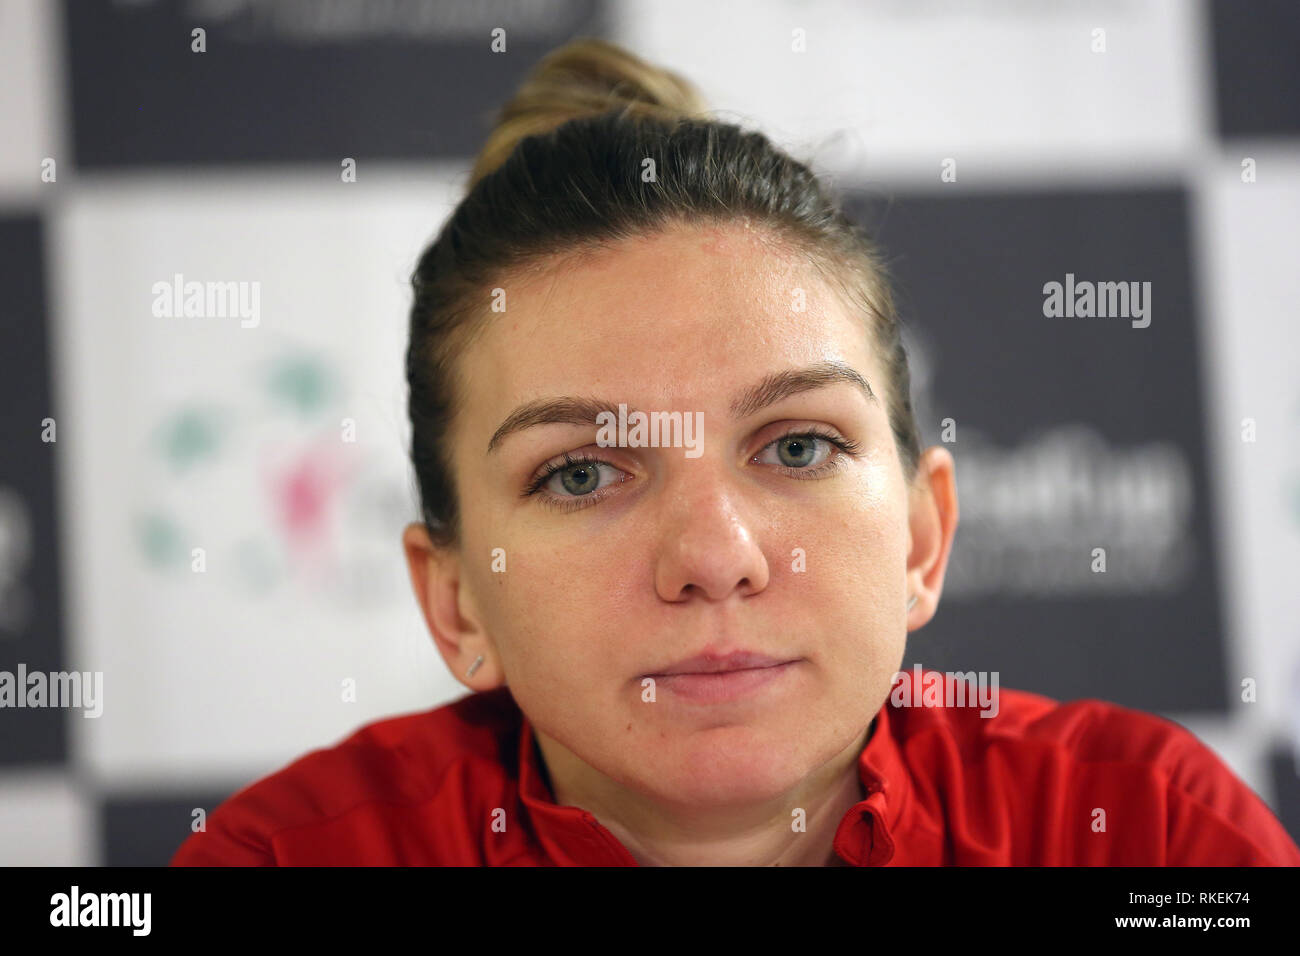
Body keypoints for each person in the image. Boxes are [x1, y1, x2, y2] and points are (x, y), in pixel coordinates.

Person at [171, 37, 1300, 867]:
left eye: (796, 444)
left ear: (920, 534)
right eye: (581, 471)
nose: (715, 554)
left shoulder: (1148, 837)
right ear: (458, 599)